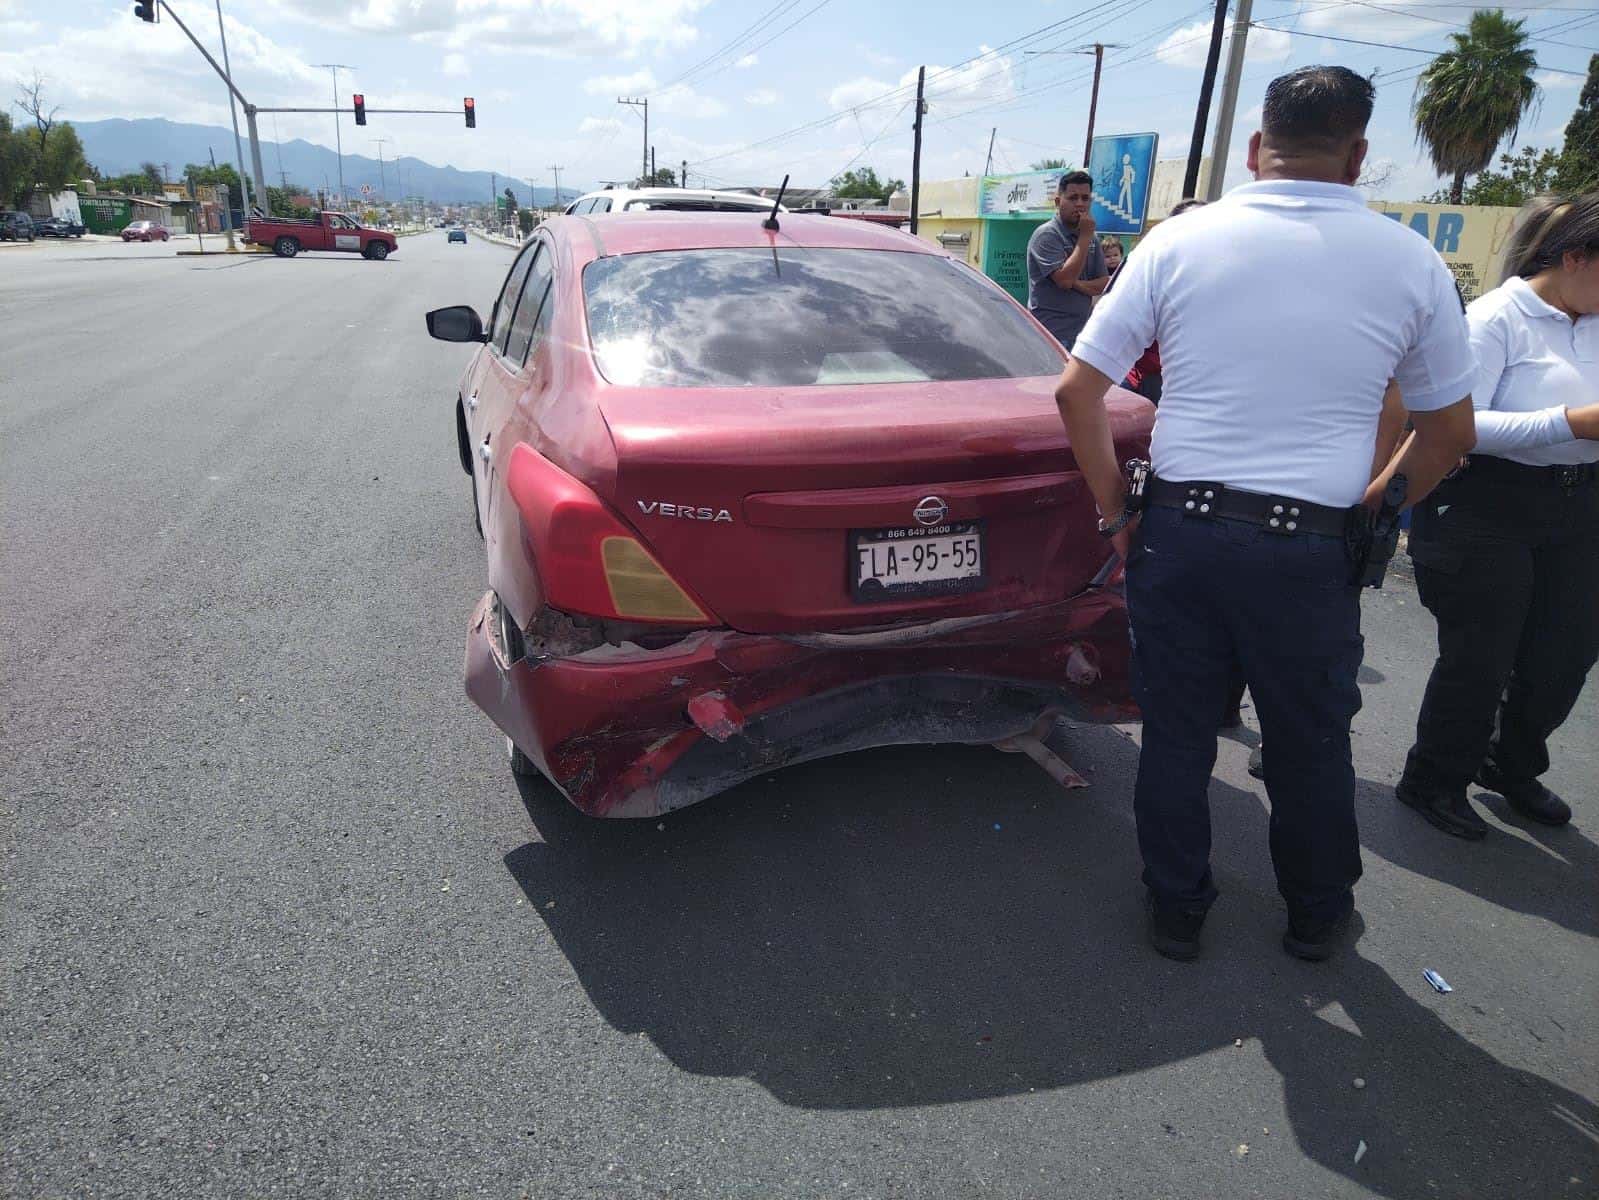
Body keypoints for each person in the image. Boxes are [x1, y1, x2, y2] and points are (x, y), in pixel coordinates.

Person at [1052, 66, 1478, 963]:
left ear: (1254, 148)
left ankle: (1176, 908)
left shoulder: (1177, 243)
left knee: (1174, 733)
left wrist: (1110, 517)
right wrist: (1371, 511)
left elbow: (1076, 390)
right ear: (1358, 154)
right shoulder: (1409, 261)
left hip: (1180, 532)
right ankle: (1317, 914)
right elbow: (1445, 434)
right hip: (1309, 546)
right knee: (1309, 740)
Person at [1396, 193, 1599, 840]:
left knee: (1563, 653)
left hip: (1577, 499)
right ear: (1574, 258)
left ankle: (1507, 763)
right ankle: (1433, 777)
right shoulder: (1493, 318)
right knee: (1479, 656)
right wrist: (1567, 422)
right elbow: (1458, 425)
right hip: (1487, 503)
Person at [1026, 171, 1107, 350]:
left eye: (1085, 198)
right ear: (1058, 202)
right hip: (1050, 336)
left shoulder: (1092, 238)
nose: (1079, 204)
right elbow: (1064, 280)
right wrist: (1085, 236)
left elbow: (1102, 284)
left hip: (1081, 335)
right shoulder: (1047, 235)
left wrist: (1075, 284)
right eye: (1073, 198)